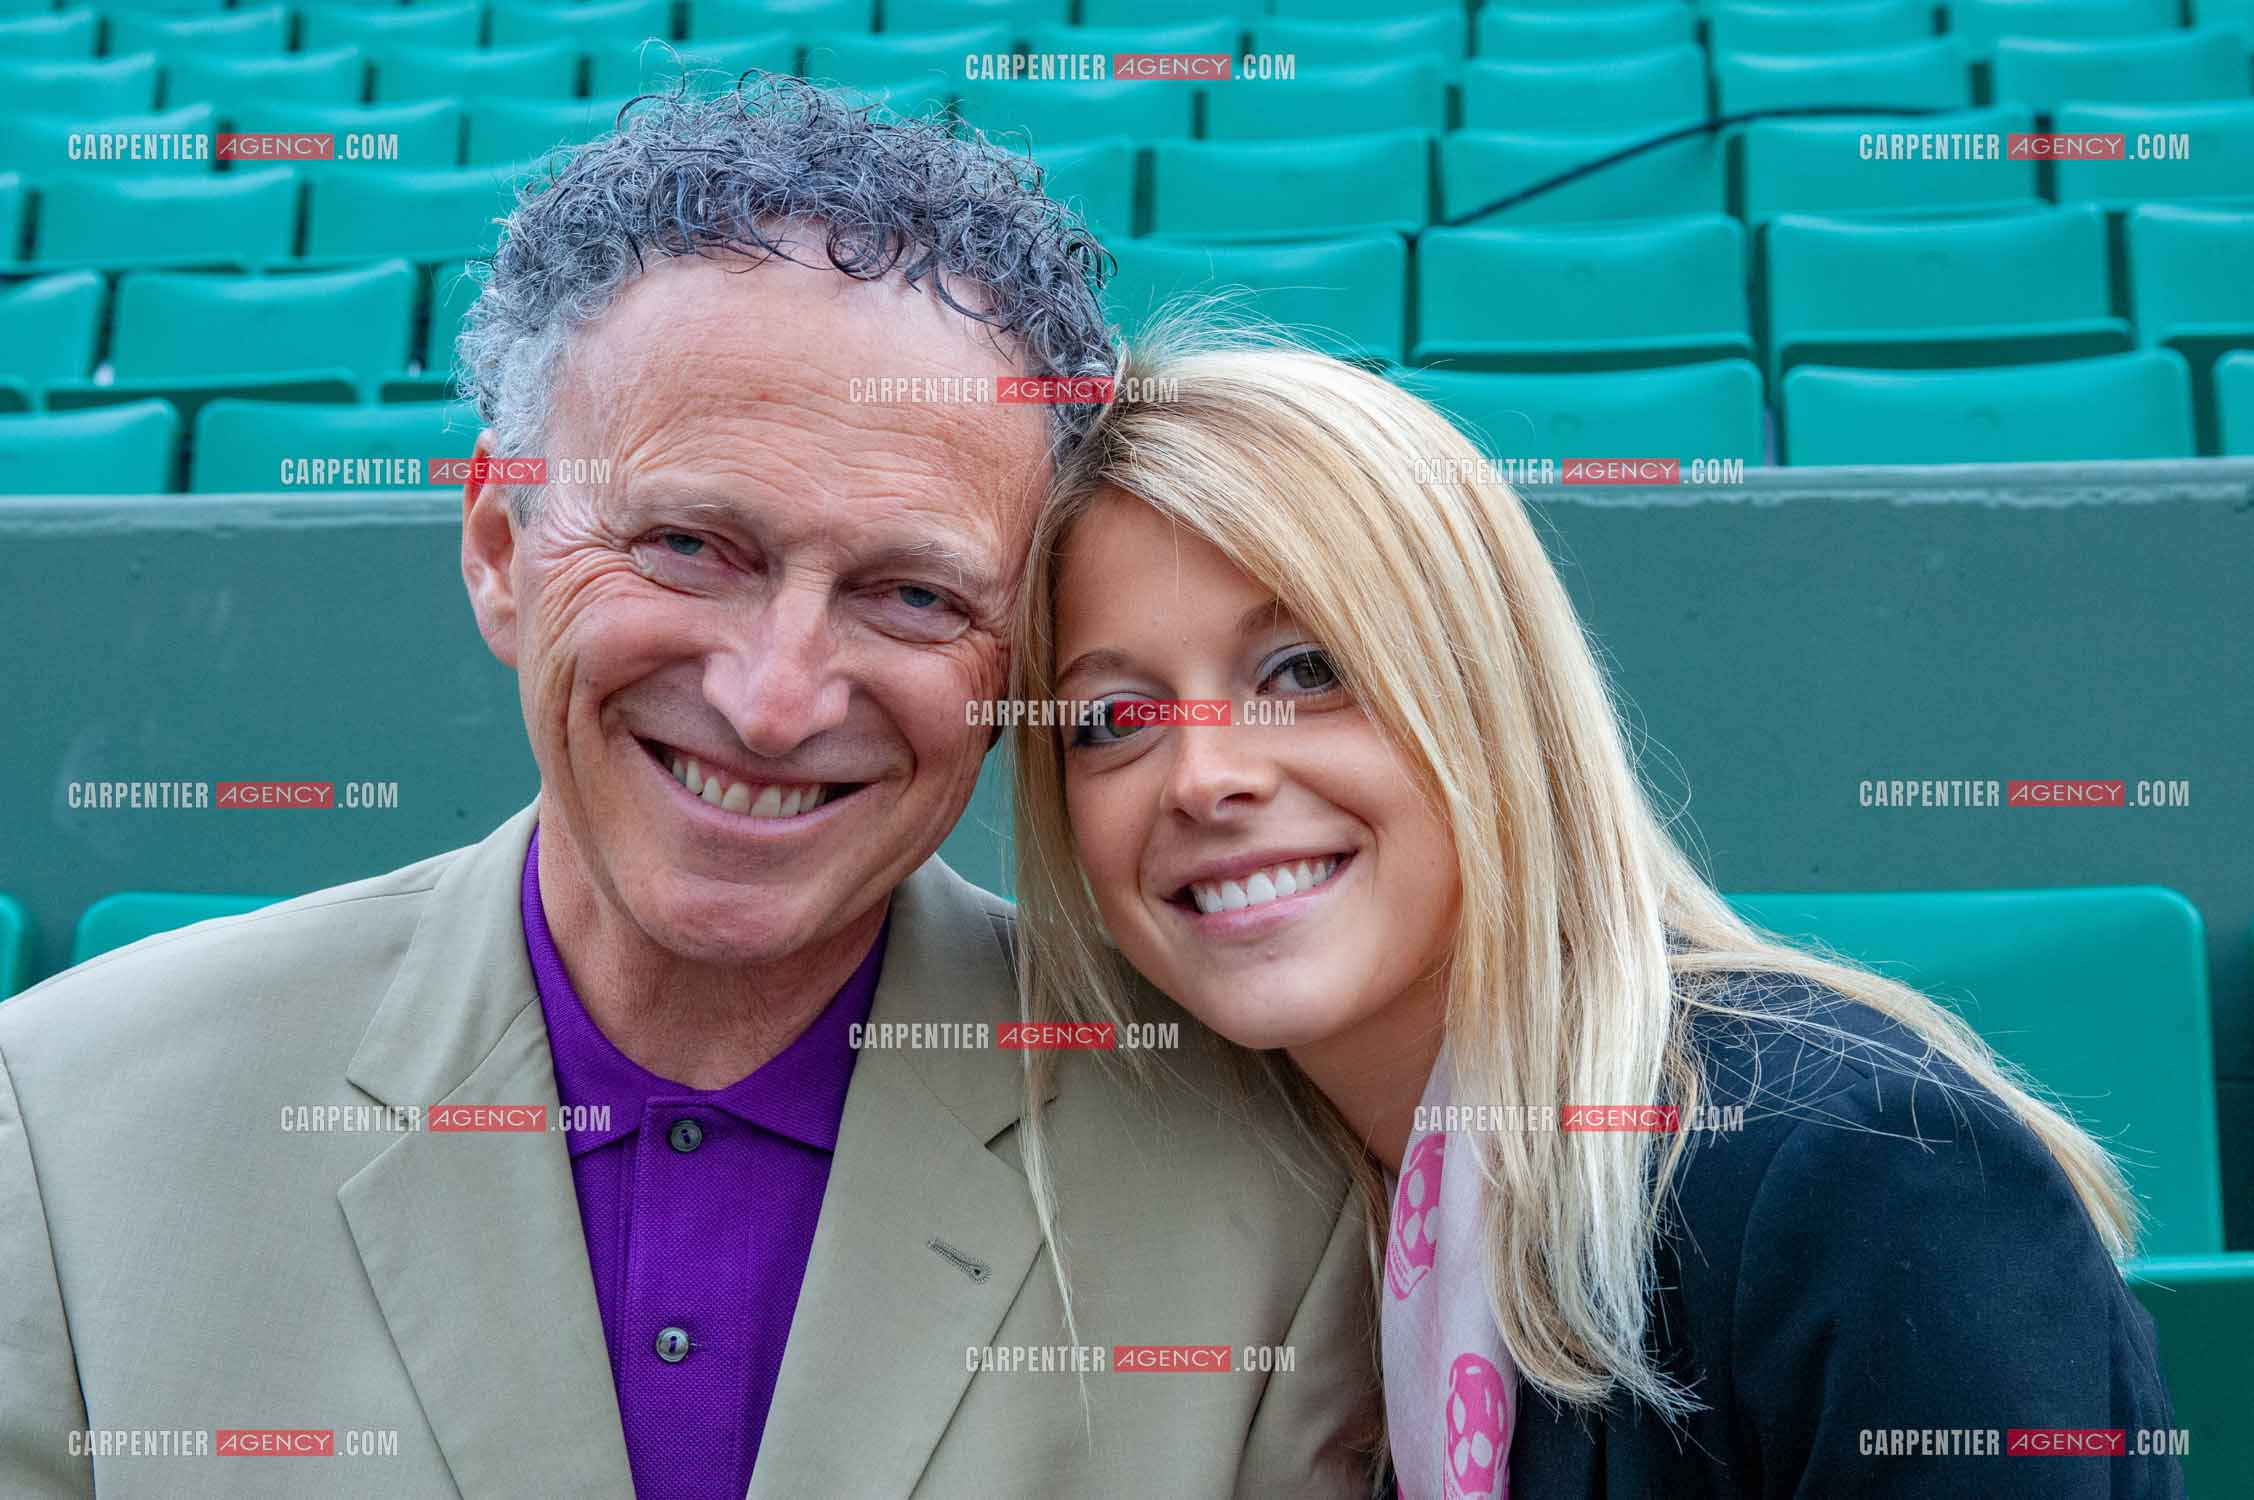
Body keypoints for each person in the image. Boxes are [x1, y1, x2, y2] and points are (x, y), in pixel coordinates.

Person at [0, 87, 1380, 1500]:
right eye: (686, 545)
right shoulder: (60, 1123)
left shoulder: (1270, 1188)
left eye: (910, 593)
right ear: (498, 544)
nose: (774, 701)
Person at [1006, 328, 2185, 1499]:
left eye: (1306, 669)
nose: (1207, 776)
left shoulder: (1864, 1181)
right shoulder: (1245, 1210)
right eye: (1112, 720)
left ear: (1491, 690)